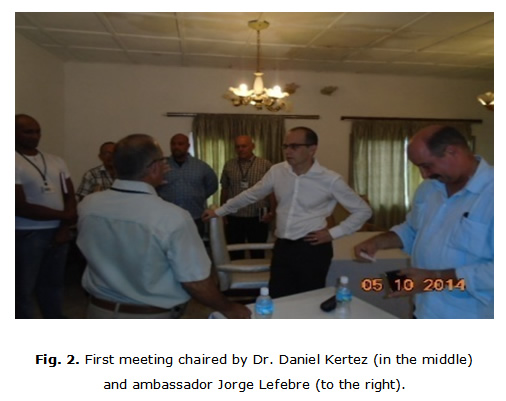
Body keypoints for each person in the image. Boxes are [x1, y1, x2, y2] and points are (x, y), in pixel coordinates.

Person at [77, 134, 250, 319]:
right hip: (149, 317)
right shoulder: (172, 217)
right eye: (161, 162)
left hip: (97, 311)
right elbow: (195, 282)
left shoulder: (88, 206)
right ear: (154, 168)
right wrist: (229, 308)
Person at [203, 127, 372, 298]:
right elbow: (252, 194)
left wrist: (333, 233)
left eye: (294, 146)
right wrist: (220, 211)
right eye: (285, 146)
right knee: (278, 297)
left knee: (308, 298)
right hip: (283, 246)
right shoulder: (277, 171)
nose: (288, 151)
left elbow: (363, 211)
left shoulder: (330, 179)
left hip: (312, 248)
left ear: (312, 149)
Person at [354, 125, 493, 319]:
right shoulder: (429, 189)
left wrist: (435, 279)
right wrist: (377, 242)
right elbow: (413, 229)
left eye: (427, 166)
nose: (424, 175)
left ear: (452, 152)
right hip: (424, 310)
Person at [15, 114, 77, 318]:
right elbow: (19, 206)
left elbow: (69, 194)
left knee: (53, 285)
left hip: (58, 232)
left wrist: (64, 227)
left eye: (37, 131)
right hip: (25, 233)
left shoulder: (55, 160)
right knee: (22, 290)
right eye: (28, 132)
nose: (35, 136)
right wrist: (64, 216)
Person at [220, 135, 275, 259]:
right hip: (234, 216)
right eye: (237, 147)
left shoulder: (265, 164)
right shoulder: (229, 165)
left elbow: (272, 190)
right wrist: (223, 212)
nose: (240, 149)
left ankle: (257, 271)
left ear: (253, 146)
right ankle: (236, 271)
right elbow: (225, 189)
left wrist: (272, 211)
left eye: (244, 146)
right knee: (234, 252)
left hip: (258, 217)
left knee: (258, 252)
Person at [157, 134, 218, 237]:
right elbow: (153, 187)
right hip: (168, 218)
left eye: (180, 144)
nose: (176, 147)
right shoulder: (161, 166)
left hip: (195, 217)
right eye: (173, 144)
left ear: (188, 146)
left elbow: (212, 185)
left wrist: (198, 196)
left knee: (196, 246)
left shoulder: (201, 166)